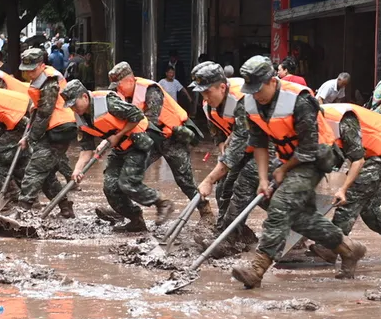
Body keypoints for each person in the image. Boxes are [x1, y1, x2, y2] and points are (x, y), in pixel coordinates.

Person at [230, 56, 359, 288]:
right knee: (299, 218)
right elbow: (258, 143)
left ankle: (257, 269)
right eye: (252, 90)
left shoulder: (300, 100)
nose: (256, 95)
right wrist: (262, 178)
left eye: (259, 89)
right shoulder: (250, 102)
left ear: (272, 80)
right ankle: (349, 249)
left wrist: (283, 170)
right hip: (288, 156)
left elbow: (308, 148)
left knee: (281, 205)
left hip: (316, 156)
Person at [62, 79, 174, 231]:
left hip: (137, 143)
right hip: (119, 149)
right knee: (110, 187)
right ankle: (136, 220)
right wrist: (77, 169)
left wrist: (118, 135)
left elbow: (137, 115)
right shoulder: (80, 118)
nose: (74, 109)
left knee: (127, 183)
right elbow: (87, 148)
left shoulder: (108, 103)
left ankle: (162, 202)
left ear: (85, 97)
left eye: (75, 104)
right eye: (71, 107)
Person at [109, 61, 209, 220]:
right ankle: (124, 211)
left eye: (119, 85)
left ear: (129, 80)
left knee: (185, 180)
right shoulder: (124, 96)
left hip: (171, 138)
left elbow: (150, 122)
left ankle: (206, 213)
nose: (117, 89)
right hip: (152, 139)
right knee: (130, 173)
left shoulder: (151, 90)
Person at [319, 103, 381, 264]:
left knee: (350, 198)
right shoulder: (320, 119)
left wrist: (343, 188)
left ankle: (331, 247)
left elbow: (358, 158)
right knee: (369, 209)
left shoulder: (340, 119)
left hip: (378, 152)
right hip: (370, 152)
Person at [191, 62, 263, 249]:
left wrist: (208, 179)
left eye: (207, 92)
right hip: (245, 149)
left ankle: (228, 239)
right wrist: (222, 146)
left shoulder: (242, 101)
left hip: (266, 149)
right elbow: (217, 134)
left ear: (222, 87)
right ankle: (226, 230)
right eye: (201, 93)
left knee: (243, 185)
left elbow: (236, 149)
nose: (204, 97)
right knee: (223, 188)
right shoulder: (210, 105)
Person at [16, 48, 78, 215]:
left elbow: (44, 113)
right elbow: (39, 110)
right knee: (47, 173)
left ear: (42, 65)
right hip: (52, 129)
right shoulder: (39, 80)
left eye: (32, 70)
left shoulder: (49, 82)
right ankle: (65, 207)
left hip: (60, 128)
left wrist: (30, 138)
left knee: (34, 168)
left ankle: (22, 210)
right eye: (26, 70)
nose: (29, 74)